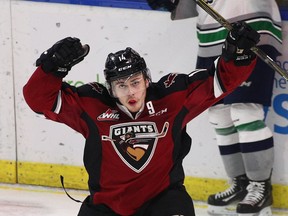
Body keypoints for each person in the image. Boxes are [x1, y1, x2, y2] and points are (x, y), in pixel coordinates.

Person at [23, 22, 259, 216]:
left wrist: (237, 53)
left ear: (147, 80)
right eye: (121, 85)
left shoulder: (172, 97)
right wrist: (52, 67)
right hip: (108, 207)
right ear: (111, 88)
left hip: (164, 202)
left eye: (135, 82)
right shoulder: (92, 104)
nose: (130, 92)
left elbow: (220, 81)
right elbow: (38, 99)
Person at [147, 0, 282, 215]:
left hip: (251, 23)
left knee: (244, 111)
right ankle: (240, 184)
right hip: (211, 32)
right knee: (218, 114)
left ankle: (261, 188)